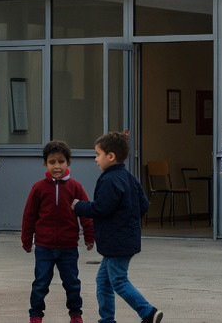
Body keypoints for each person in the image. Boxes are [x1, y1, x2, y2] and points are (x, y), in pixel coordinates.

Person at [71, 131, 162, 323]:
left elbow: (101, 208)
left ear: (111, 156)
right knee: (103, 281)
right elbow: (144, 205)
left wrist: (79, 206)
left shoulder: (109, 180)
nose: (95, 159)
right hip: (125, 239)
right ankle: (107, 319)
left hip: (116, 242)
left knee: (119, 281)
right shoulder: (129, 178)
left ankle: (148, 312)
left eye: (98, 154)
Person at [21, 140, 95, 323]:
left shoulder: (75, 187)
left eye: (61, 161)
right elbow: (29, 216)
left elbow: (86, 213)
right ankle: (35, 315)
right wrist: (26, 240)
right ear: (44, 164)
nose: (57, 166)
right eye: (52, 162)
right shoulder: (38, 188)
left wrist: (89, 236)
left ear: (68, 162)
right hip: (44, 247)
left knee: (72, 283)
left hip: (68, 247)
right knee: (40, 283)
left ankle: (76, 314)